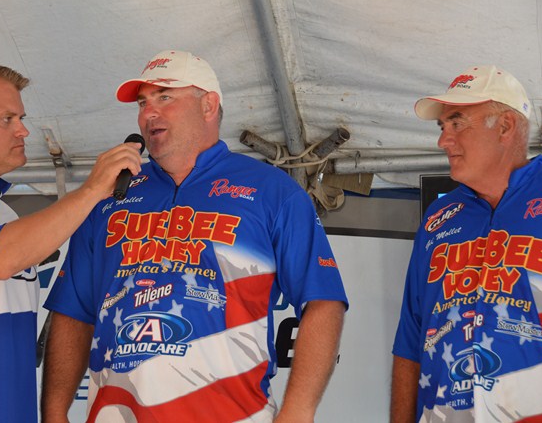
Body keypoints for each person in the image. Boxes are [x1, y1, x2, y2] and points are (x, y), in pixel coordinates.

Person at [41, 50, 348, 422]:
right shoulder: (108, 195)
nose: (149, 113)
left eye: (164, 97)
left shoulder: (272, 191)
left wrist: (298, 411)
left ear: (208, 105)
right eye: (143, 103)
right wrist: (54, 414)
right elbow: (72, 312)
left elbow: (324, 302)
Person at [0, 58, 143, 423]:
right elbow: (0, 258)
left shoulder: (5, 215)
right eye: (7, 119)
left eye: (21, 118)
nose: (23, 131)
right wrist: (92, 189)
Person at [391, 65, 542, 422]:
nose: (443, 141)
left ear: (505, 127)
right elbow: (410, 341)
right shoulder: (438, 218)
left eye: (457, 123)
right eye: (442, 127)